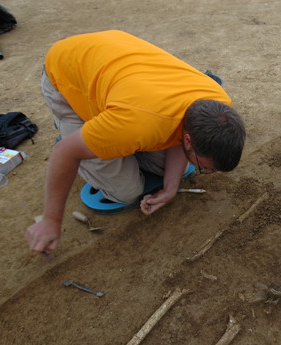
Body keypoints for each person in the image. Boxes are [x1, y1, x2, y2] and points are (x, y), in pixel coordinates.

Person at [26, 30, 245, 255]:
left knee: (169, 169)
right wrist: (51, 220)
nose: (204, 170)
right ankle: (76, 132)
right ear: (189, 139)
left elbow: (179, 133)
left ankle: (105, 138)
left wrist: (170, 189)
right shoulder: (138, 123)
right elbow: (65, 153)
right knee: (126, 192)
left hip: (122, 68)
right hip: (68, 71)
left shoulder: (220, 103)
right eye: (205, 166)